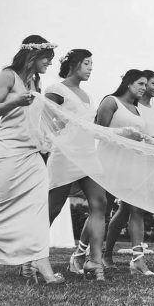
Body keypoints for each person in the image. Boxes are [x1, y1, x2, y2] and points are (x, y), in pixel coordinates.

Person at [0, 35, 64, 284]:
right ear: (33, 56)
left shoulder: (35, 81)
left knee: (38, 207)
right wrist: (14, 100)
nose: (49, 63)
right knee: (0, 204)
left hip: (31, 153)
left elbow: (36, 118)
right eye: (47, 58)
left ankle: (41, 263)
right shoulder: (8, 76)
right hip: (7, 150)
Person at [94, 69, 154, 275]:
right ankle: (91, 255)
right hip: (112, 163)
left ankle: (138, 260)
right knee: (103, 209)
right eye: (143, 84)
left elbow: (145, 137)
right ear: (129, 83)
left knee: (136, 209)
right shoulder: (115, 103)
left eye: (148, 85)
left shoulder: (142, 110)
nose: (146, 88)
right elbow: (98, 131)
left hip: (137, 164)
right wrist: (124, 135)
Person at [45, 49, 109, 281]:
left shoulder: (88, 96)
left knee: (100, 202)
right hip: (65, 154)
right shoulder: (55, 89)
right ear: (73, 64)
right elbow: (43, 120)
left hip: (87, 154)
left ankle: (94, 261)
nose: (91, 67)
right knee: (53, 208)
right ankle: (32, 257)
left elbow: (90, 127)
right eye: (87, 63)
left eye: (92, 63)